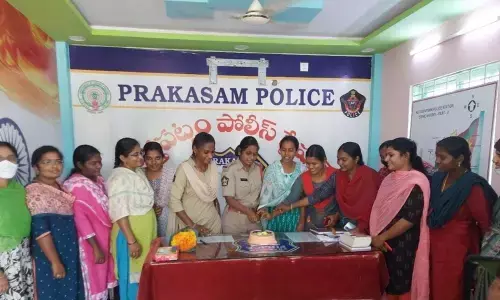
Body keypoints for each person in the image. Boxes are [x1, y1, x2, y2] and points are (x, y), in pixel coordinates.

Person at [428, 136, 497, 300]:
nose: (437, 161)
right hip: (431, 244)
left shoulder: (472, 186)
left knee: (450, 290)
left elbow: (486, 224)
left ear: (459, 159)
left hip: (456, 249)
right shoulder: (437, 179)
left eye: (442, 157)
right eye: (436, 156)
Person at [369, 137, 431, 300]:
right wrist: (376, 237)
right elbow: (378, 210)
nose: (386, 159)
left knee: (398, 287)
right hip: (381, 243)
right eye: (385, 155)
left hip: (402, 245)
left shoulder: (416, 181)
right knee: (384, 285)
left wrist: (383, 237)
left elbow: (410, 219)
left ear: (405, 156)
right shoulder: (389, 179)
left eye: (391, 155)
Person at [26, 146, 83, 299]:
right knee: (53, 292)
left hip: (69, 251)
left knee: (71, 291)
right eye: (47, 162)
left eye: (58, 161)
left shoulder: (61, 188)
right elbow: (40, 230)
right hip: (49, 255)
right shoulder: (34, 192)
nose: (54, 166)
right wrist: (55, 262)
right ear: (36, 167)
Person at [63, 145, 117, 300]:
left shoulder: (98, 180)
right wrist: (95, 247)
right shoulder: (75, 186)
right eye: (93, 163)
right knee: (94, 280)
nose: (99, 166)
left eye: (99, 162)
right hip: (90, 241)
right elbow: (81, 220)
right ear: (80, 165)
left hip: (105, 235)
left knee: (106, 276)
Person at [107, 138, 156, 300]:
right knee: (133, 278)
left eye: (140, 153)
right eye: (135, 155)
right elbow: (119, 212)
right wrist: (131, 241)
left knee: (144, 277)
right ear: (122, 158)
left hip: (144, 233)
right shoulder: (119, 178)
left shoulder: (137, 172)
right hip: (131, 235)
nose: (140, 157)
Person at [167, 132, 221, 237]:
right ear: (195, 150)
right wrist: (193, 226)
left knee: (216, 253)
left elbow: (212, 195)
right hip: (191, 228)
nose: (210, 156)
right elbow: (174, 201)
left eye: (212, 152)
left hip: (213, 225)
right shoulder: (184, 169)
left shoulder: (213, 166)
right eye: (206, 152)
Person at [275, 145, 336, 231]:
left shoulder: (335, 175)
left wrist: (337, 215)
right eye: (308, 163)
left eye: (314, 164)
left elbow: (343, 202)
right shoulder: (303, 178)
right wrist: (271, 212)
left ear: (324, 161)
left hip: (334, 226)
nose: (310, 167)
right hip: (311, 226)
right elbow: (290, 199)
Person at [0, 142, 33, 300]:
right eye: (0, 159)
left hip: (23, 257)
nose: (6, 163)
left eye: (10, 158)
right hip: (3, 262)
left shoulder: (20, 190)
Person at [257, 136, 305, 232]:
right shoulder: (272, 169)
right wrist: (264, 211)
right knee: (274, 245)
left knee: (293, 245)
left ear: (296, 151)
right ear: (280, 151)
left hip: (294, 216)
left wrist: (301, 222)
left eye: (290, 150)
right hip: (273, 217)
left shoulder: (302, 170)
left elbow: (304, 199)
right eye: (284, 150)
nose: (287, 154)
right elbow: (265, 196)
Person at [221, 136, 263, 234]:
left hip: (253, 220)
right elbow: (229, 199)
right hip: (234, 220)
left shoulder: (258, 169)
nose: (252, 158)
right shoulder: (231, 169)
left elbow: (262, 194)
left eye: (255, 154)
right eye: (248, 153)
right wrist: (248, 212)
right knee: (233, 249)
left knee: (257, 247)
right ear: (240, 151)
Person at [142, 142, 175, 237]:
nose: (153, 162)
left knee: (168, 248)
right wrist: (151, 207)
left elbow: (180, 197)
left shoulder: (172, 173)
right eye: (149, 158)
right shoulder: (139, 175)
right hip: (146, 220)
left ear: (163, 158)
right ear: (144, 159)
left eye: (157, 158)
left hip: (169, 220)